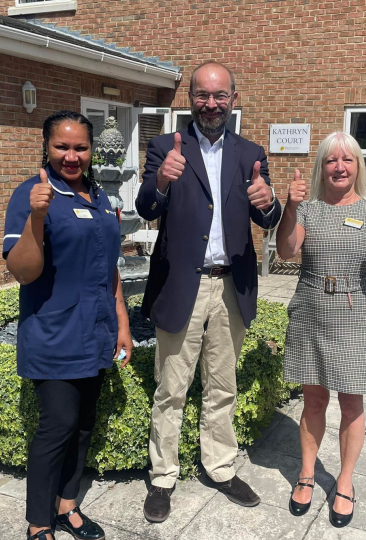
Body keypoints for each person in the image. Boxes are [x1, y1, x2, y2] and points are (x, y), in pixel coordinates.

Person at [135, 61, 281, 523]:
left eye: (220, 96)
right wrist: (160, 181)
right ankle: (163, 476)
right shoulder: (165, 146)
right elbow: (145, 208)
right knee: (171, 387)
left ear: (234, 99)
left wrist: (270, 202)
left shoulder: (250, 153)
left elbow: (267, 218)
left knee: (222, 385)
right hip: (184, 284)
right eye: (202, 95)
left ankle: (218, 467)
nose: (211, 104)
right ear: (190, 99)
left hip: (231, 287)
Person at [276, 131, 366, 528]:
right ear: (322, 167)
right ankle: (306, 474)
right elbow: (286, 251)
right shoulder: (308, 208)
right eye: (331, 160)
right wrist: (290, 205)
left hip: (355, 315)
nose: (339, 167)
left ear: (358, 167)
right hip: (310, 310)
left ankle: (345, 481)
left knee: (351, 404)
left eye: (347, 160)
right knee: (314, 401)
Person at [3, 110, 133, 540]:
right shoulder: (32, 195)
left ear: (92, 151)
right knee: (56, 427)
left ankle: (67, 506)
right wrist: (36, 218)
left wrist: (122, 323)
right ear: (46, 146)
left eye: (80, 147)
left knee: (82, 425)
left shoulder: (98, 197)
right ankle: (39, 521)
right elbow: (23, 272)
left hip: (95, 331)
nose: (71, 156)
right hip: (55, 333)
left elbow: (109, 268)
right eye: (62, 146)